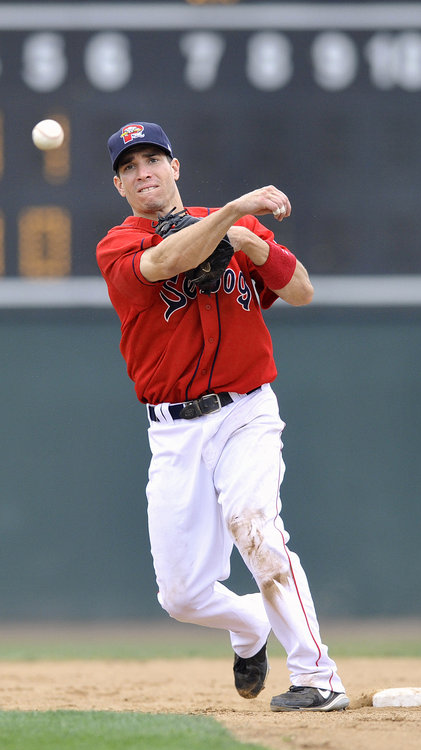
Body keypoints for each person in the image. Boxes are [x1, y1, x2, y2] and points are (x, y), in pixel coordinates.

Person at [96, 121, 348, 712]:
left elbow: (303, 290)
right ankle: (250, 627)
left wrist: (247, 240)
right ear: (120, 185)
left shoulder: (239, 228)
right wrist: (229, 219)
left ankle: (319, 676)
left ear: (175, 167)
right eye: (130, 167)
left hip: (246, 411)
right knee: (181, 597)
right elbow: (163, 264)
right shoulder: (119, 245)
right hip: (174, 430)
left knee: (255, 525)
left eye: (153, 159)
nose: (144, 172)